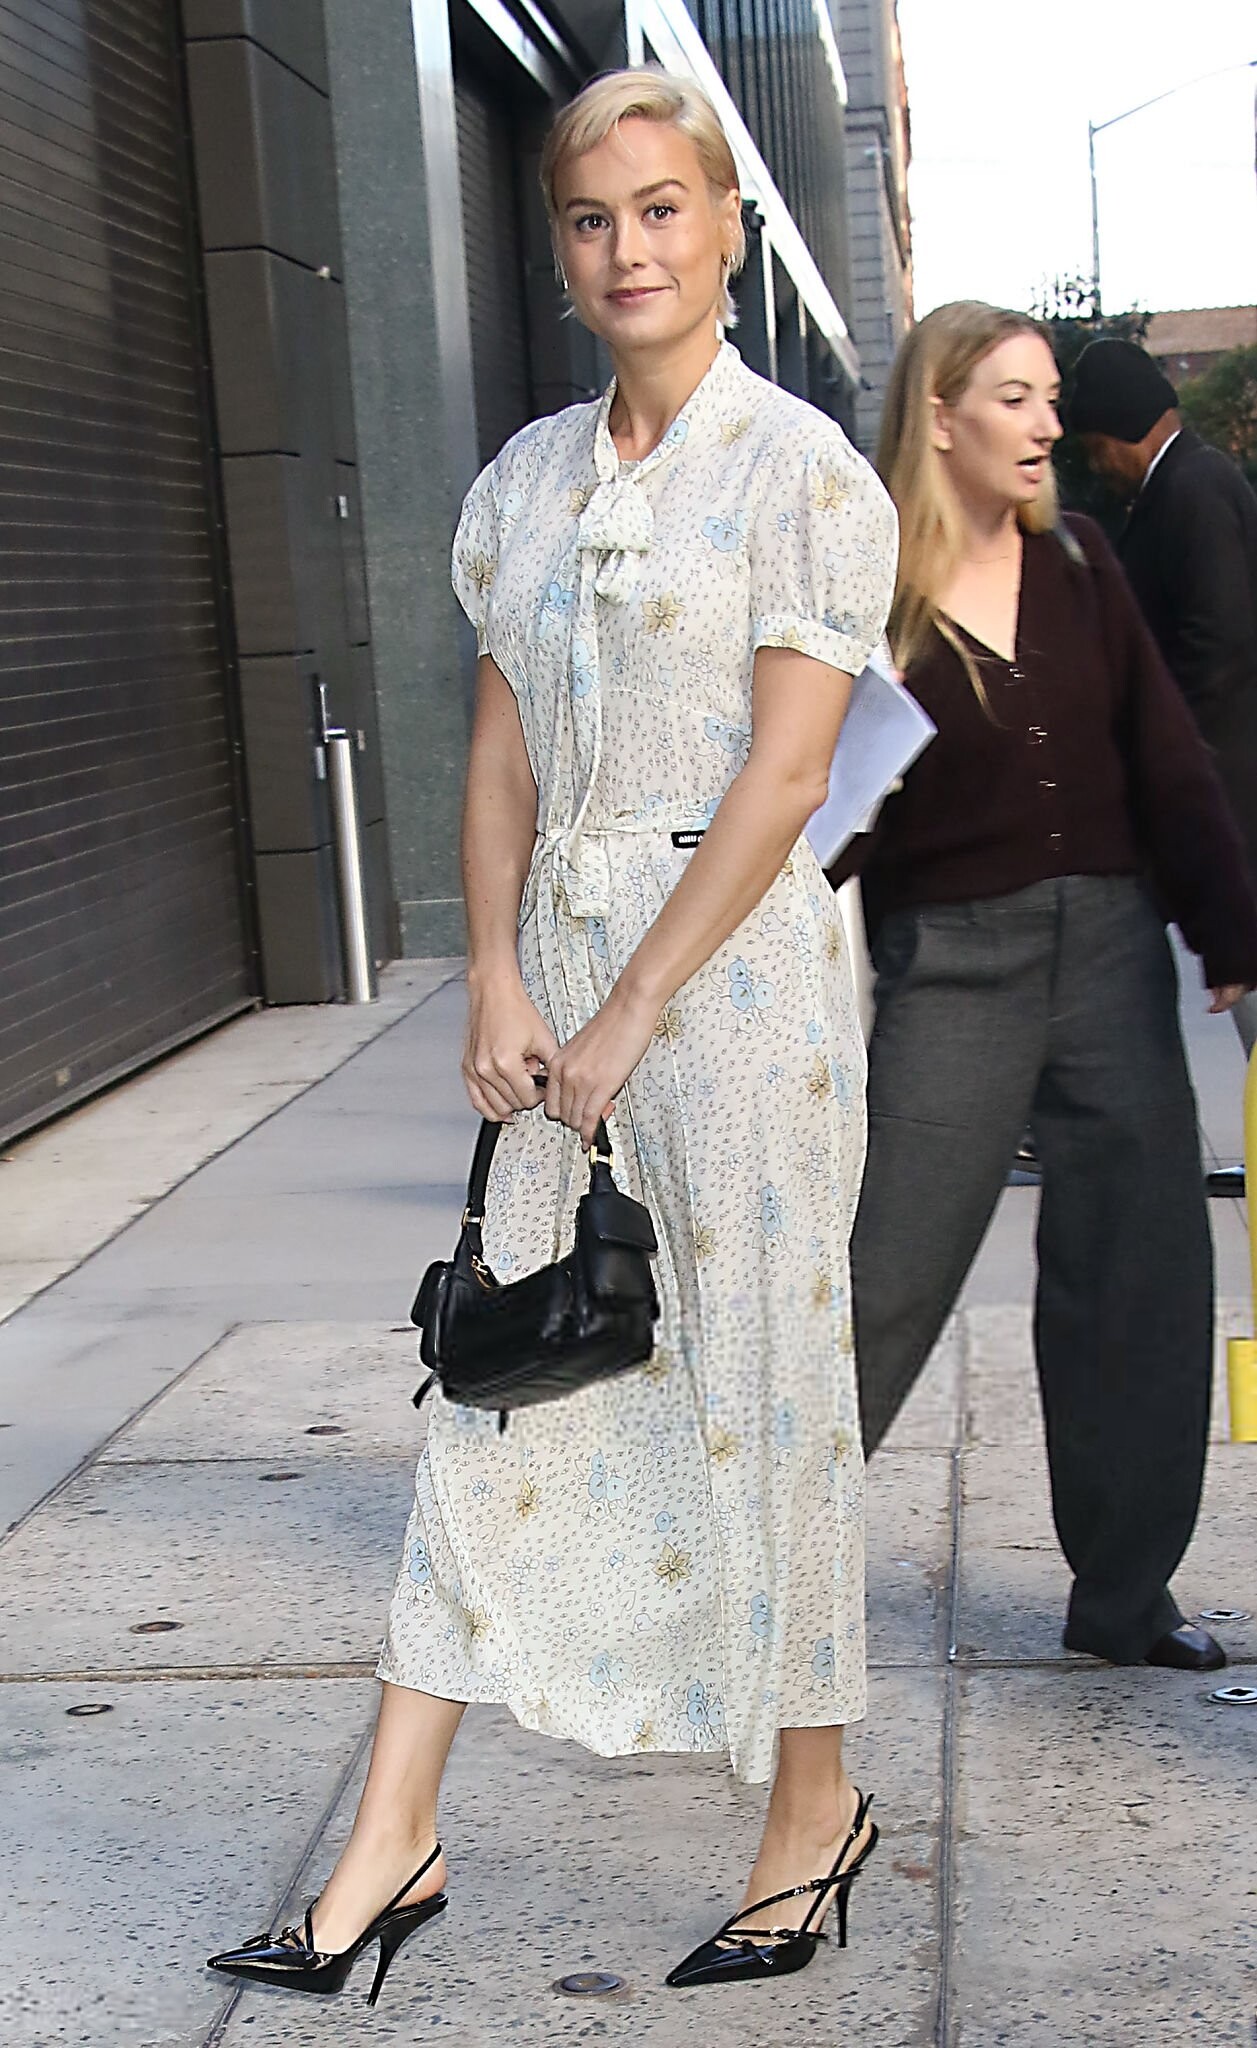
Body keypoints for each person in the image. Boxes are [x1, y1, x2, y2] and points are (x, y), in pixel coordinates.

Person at [207, 68, 897, 2004]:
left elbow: (785, 776)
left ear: (727, 225)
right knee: (489, 1389)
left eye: (662, 209)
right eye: (592, 219)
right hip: (563, 992)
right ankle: (390, 1838)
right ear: (559, 245)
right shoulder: (519, 481)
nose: (627, 249)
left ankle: (808, 1809)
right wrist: (497, 975)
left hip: (737, 991)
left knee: (761, 1390)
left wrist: (638, 998)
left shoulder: (800, 478)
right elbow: (501, 757)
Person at [837, 301, 1257, 1678]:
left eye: (1049, 399)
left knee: (1141, 1272)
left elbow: (1164, 751)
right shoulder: (867, 587)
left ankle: (1124, 1596)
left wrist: (1228, 924)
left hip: (1113, 954)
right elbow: (816, 800)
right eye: (1013, 398)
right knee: (881, 1276)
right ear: (939, 415)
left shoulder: (1078, 559)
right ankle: (733, 1577)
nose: (1046, 424)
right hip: (952, 966)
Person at [1071, 336, 1257, 1052]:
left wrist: (1161, 739)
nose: (1097, 465)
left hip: (1235, 789)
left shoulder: (1191, 490)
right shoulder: (1186, 484)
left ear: (1121, 427)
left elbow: (1219, 638)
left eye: (1096, 447)